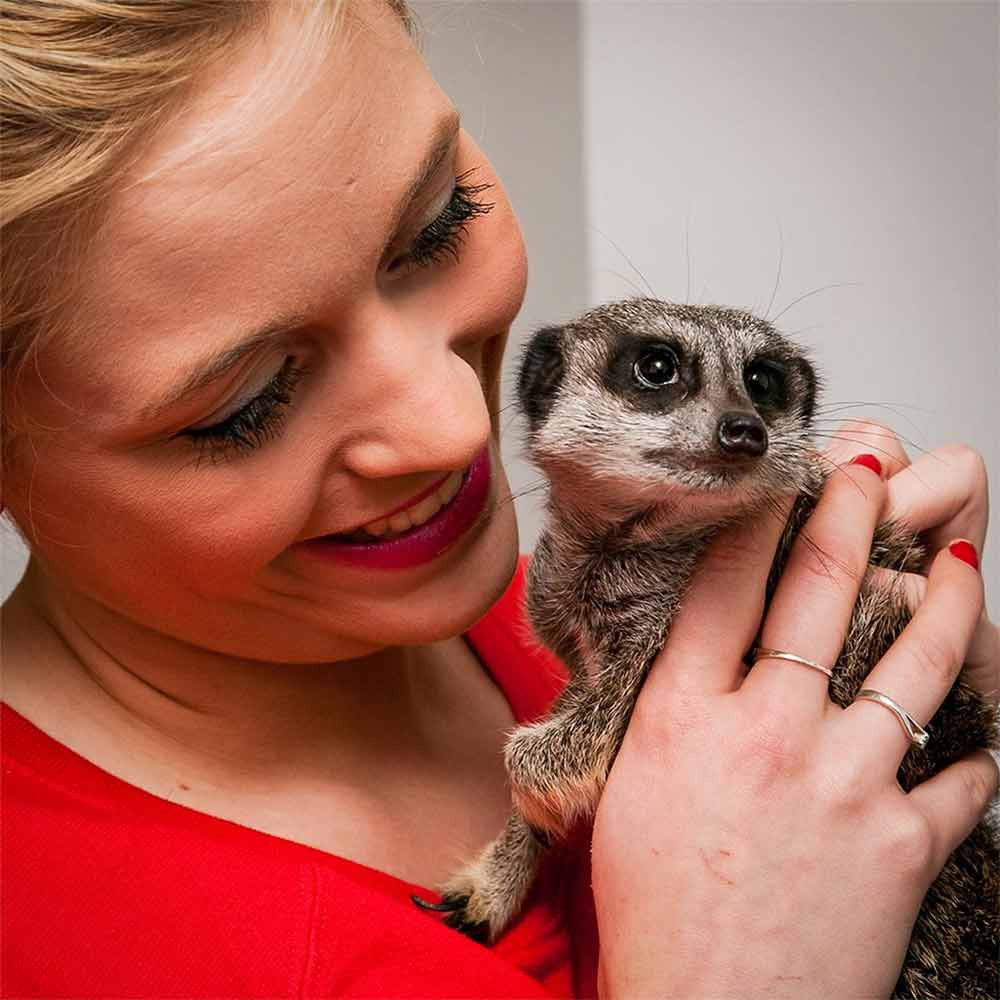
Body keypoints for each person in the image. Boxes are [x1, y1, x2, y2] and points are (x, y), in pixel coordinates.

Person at [1, 1, 996, 997]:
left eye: (438, 226)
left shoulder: (621, 610)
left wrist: (939, 728)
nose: (458, 427)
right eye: (244, 404)